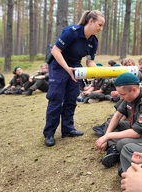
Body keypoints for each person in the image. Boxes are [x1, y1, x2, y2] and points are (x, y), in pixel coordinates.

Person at [43, 10, 105, 147]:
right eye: (99, 25)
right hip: (59, 65)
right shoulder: (72, 32)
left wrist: (98, 71)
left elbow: (90, 61)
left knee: (71, 97)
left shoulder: (93, 41)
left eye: (102, 26)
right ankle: (49, 133)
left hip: (75, 67)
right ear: (91, 21)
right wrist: (67, 69)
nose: (101, 29)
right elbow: (55, 51)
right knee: (56, 98)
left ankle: (68, 129)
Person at [95, 72, 142, 168]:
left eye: (122, 94)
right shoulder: (130, 95)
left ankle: (117, 149)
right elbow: (118, 116)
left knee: (123, 143)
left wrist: (108, 136)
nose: (121, 97)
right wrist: (106, 136)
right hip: (136, 127)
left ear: (134, 89)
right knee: (111, 123)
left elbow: (136, 132)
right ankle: (113, 149)